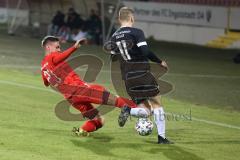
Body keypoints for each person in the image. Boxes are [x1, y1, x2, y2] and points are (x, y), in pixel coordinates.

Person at [41, 36, 136, 136]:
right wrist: (75, 47)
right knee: (114, 99)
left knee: (99, 120)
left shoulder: (43, 67)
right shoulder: (52, 57)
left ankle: (82, 131)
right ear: (48, 47)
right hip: (79, 90)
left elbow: (46, 83)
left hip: (72, 99)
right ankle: (139, 112)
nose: (59, 50)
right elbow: (60, 57)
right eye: (57, 47)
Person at [109, 7, 173, 144]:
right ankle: (162, 137)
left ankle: (129, 110)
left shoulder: (114, 37)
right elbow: (145, 51)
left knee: (147, 111)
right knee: (157, 104)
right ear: (132, 18)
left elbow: (112, 58)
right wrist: (159, 61)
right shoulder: (136, 32)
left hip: (128, 78)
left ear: (119, 20)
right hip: (141, 73)